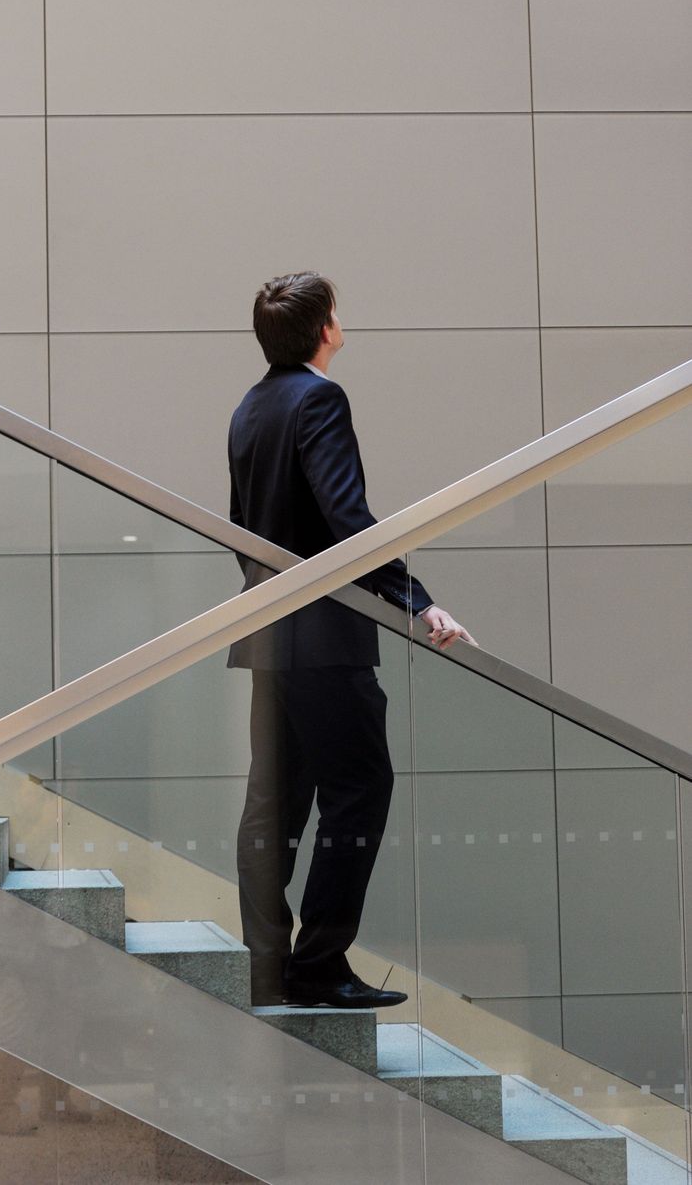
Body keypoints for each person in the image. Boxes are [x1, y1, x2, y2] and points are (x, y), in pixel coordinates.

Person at [228, 272, 476, 1010]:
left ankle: (270, 961)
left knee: (274, 802)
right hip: (325, 636)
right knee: (359, 789)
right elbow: (348, 518)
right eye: (336, 310)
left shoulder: (250, 406)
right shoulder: (318, 398)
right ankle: (319, 961)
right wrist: (416, 599)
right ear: (324, 329)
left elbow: (241, 526)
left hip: (268, 630)